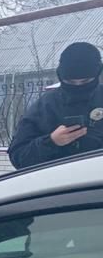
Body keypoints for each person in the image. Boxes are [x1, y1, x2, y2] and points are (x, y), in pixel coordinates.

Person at [9, 41, 103, 169]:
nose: (78, 86)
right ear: (61, 77)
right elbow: (18, 157)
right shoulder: (45, 106)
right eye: (70, 82)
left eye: (85, 81)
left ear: (97, 74)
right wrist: (51, 142)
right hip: (58, 180)